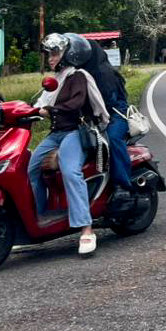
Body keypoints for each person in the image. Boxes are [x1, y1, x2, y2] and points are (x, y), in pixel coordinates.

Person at [30, 32, 110, 255]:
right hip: (56, 133)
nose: (50, 58)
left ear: (69, 53)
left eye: (54, 53)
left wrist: (50, 110)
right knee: (30, 167)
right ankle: (38, 218)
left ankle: (86, 229)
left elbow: (76, 103)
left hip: (76, 131)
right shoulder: (57, 79)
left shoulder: (78, 76)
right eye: (49, 54)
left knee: (70, 170)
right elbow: (40, 103)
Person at [75, 34, 133, 195]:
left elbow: (109, 102)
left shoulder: (103, 73)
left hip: (116, 114)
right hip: (94, 117)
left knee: (112, 138)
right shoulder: (82, 72)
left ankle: (122, 185)